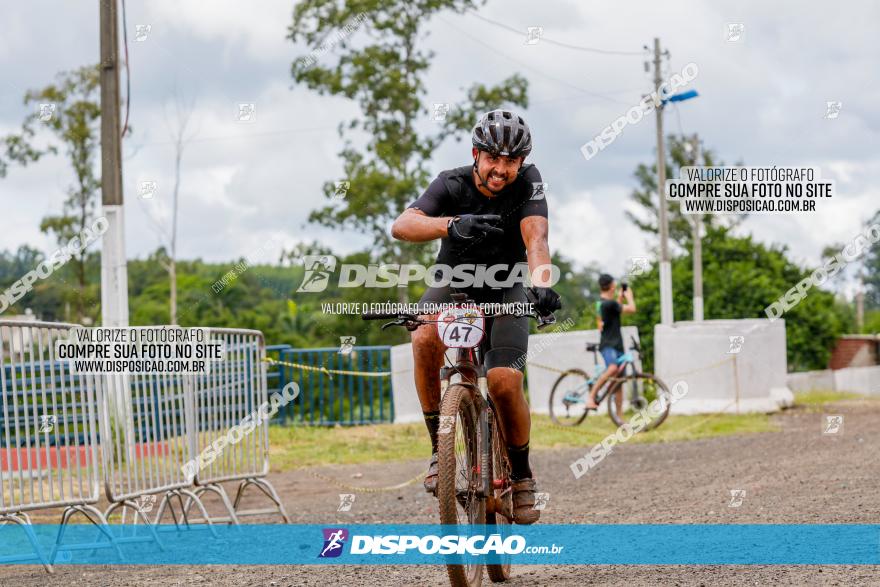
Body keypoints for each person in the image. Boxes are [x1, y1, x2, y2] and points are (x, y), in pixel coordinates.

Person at [389, 109, 561, 524]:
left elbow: (535, 237)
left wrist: (541, 283)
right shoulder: (452, 182)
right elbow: (402, 225)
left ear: (521, 162)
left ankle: (521, 477)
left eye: (511, 161)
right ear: (476, 154)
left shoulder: (529, 182)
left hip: (508, 285)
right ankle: (439, 449)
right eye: (493, 159)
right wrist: (451, 225)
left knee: (503, 381)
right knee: (424, 338)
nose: (501, 169)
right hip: (455, 282)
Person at [585, 274, 636, 411]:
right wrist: (629, 296)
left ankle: (619, 417)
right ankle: (591, 396)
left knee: (618, 383)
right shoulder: (610, 304)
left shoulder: (600, 304)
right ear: (612, 286)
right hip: (609, 345)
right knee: (613, 369)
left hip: (615, 344)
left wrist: (619, 297)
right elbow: (631, 309)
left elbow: (615, 312)